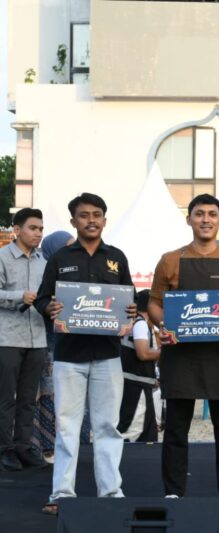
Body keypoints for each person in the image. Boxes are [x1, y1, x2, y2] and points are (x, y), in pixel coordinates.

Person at [147, 193, 219, 513]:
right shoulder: (169, 260)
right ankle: (173, 492)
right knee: (177, 427)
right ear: (189, 219)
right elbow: (154, 302)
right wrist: (163, 325)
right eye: (199, 213)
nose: (206, 219)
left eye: (212, 214)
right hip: (181, 355)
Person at [33, 193, 136, 515]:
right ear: (73, 221)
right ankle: (62, 494)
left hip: (108, 355)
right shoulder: (60, 260)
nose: (91, 220)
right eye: (83, 215)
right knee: (67, 426)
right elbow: (40, 299)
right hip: (68, 356)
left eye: (96, 214)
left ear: (104, 219)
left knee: (108, 426)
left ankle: (111, 492)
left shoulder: (117, 258)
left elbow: (129, 299)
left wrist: (132, 311)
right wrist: (47, 306)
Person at [0, 208, 48, 471]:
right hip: (7, 337)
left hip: (37, 338)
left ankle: (23, 446)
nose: (38, 233)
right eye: (33, 228)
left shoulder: (43, 261)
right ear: (17, 230)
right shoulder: (2, 257)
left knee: (29, 397)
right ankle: (4, 448)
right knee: (6, 397)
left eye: (41, 229)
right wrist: (19, 295)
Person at [33, 231, 75, 461]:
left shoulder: (73, 271)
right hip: (46, 341)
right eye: (65, 246)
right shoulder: (44, 272)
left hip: (69, 342)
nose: (69, 251)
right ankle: (44, 446)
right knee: (47, 391)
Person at [118, 289, 160, 443]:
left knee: (145, 430)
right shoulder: (140, 324)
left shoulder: (136, 322)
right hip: (136, 386)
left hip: (138, 384)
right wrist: (167, 352)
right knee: (133, 432)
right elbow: (143, 353)